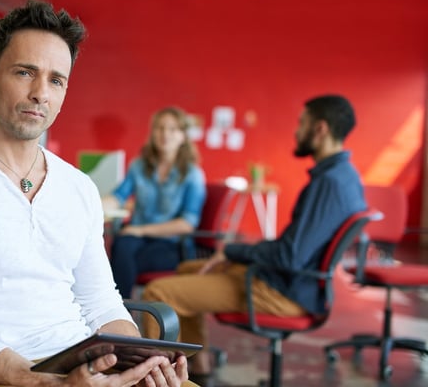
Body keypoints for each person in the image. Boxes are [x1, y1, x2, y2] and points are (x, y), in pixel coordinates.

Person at [0, 0, 190, 387]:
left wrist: (141, 363)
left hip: (90, 364)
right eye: (25, 73)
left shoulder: (79, 187)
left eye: (56, 80)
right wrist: (49, 383)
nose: (41, 93)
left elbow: (101, 301)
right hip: (8, 374)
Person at [141, 94, 367, 379]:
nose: (297, 130)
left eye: (302, 123)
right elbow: (295, 248)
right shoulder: (345, 176)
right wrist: (235, 253)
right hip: (293, 281)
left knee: (158, 293)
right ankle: (196, 367)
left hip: (282, 290)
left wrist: (234, 252)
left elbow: (290, 255)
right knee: (188, 269)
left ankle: (162, 381)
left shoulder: (328, 184)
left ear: (320, 129)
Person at [102, 107, 206, 299]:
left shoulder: (193, 175)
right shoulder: (139, 165)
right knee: (121, 245)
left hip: (172, 245)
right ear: (153, 133)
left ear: (183, 136)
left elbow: (187, 224)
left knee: (119, 258)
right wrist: (93, 207)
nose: (165, 134)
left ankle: (120, 315)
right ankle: (120, 315)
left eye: (173, 129)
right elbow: (118, 197)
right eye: (160, 128)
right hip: (135, 239)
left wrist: (140, 230)